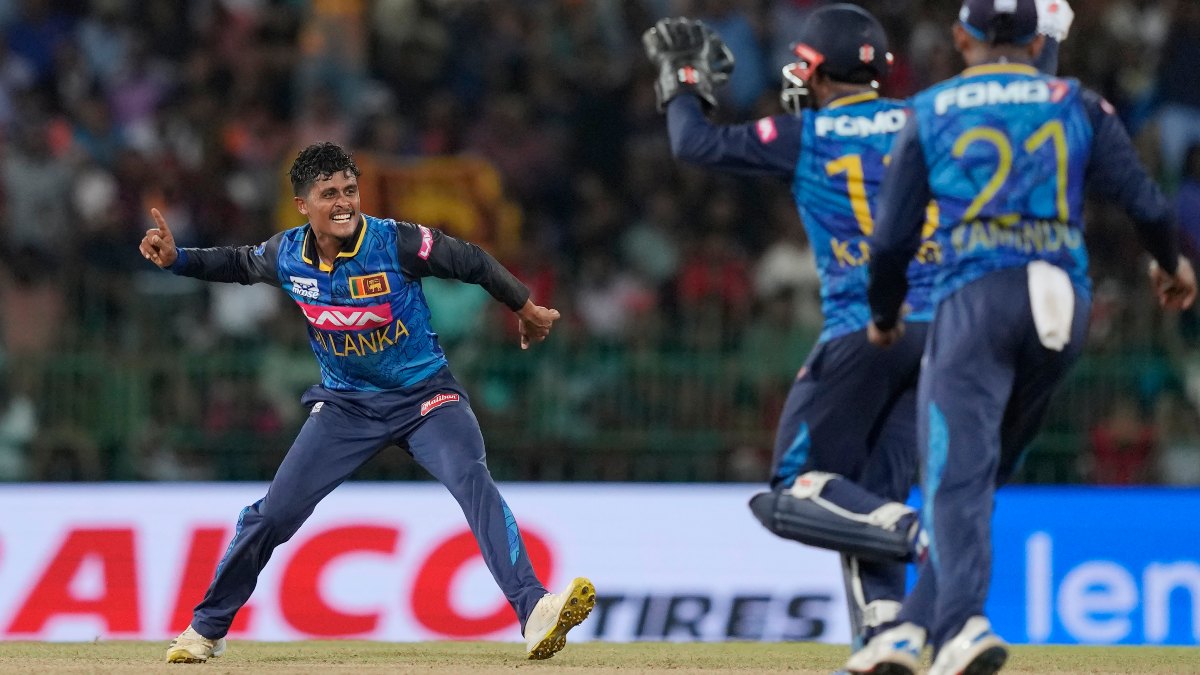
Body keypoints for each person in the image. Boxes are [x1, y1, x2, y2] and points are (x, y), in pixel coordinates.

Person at [644, 3, 1070, 654]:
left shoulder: (807, 134)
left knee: (792, 490)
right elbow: (1021, 107)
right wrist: (1052, 40)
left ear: (816, 69)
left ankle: (919, 535)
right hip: (948, 333)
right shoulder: (927, 115)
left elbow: (692, 144)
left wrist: (683, 79)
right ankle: (885, 631)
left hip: (866, 330)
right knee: (867, 499)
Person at [138, 142, 595, 663]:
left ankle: (535, 609)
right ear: (302, 205)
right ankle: (206, 629)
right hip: (345, 407)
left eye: (350, 190)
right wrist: (177, 259)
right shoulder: (286, 254)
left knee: (472, 480)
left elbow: (469, 260)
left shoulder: (395, 242)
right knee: (272, 516)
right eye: (328, 193)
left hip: (427, 398)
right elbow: (239, 263)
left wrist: (525, 306)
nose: (343, 203)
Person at [852, 1, 1196, 674]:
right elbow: (1147, 203)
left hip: (977, 299)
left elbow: (890, 241)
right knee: (976, 477)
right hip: (1063, 302)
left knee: (953, 478)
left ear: (961, 38)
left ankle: (961, 625)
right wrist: (1170, 262)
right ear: (1039, 42)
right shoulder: (1078, 103)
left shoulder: (932, 108)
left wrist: (885, 314)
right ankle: (911, 630)